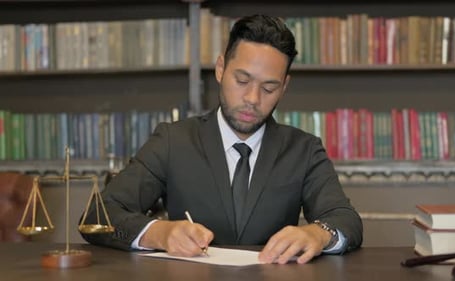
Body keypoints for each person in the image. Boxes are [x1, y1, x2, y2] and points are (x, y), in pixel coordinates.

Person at [81, 14, 363, 264]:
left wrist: (318, 233)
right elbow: (98, 215)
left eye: (269, 87)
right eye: (242, 81)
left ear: (284, 86)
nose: (252, 99)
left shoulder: (304, 149)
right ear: (220, 69)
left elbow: (346, 220)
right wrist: (159, 233)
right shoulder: (172, 140)